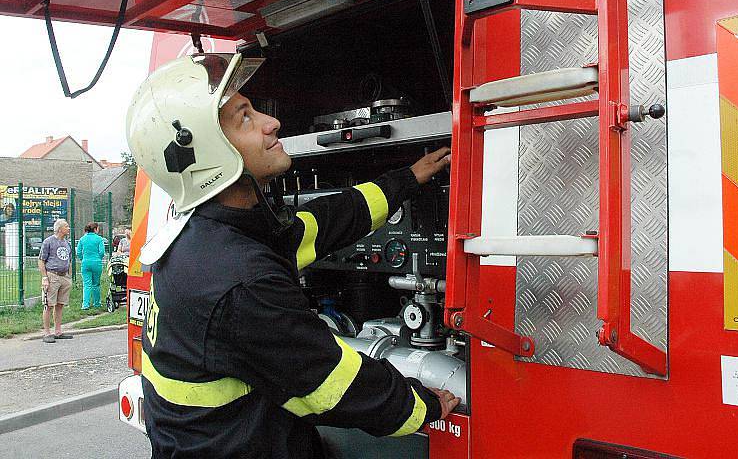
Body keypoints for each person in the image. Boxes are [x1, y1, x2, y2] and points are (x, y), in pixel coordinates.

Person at [126, 54, 459, 459]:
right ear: (210, 154)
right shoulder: (238, 280)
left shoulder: (211, 238)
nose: (272, 122)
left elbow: (324, 223)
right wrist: (422, 406)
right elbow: (332, 384)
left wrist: (406, 180)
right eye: (245, 118)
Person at [38, 219, 74, 343]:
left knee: (60, 304)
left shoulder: (67, 243)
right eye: (66, 226)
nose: (69, 228)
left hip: (64, 276)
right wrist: (44, 278)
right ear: (59, 229)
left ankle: (58, 331)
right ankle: (47, 332)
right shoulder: (48, 242)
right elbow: (41, 260)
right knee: (48, 304)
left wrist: (69, 276)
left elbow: (69, 260)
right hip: (52, 275)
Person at [76, 222, 105, 310]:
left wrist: (83, 259)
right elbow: (102, 252)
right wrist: (98, 258)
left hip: (85, 263)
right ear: (95, 229)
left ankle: (85, 305)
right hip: (96, 263)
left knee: (87, 284)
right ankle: (97, 303)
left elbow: (78, 252)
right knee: (96, 284)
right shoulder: (99, 239)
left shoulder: (82, 239)